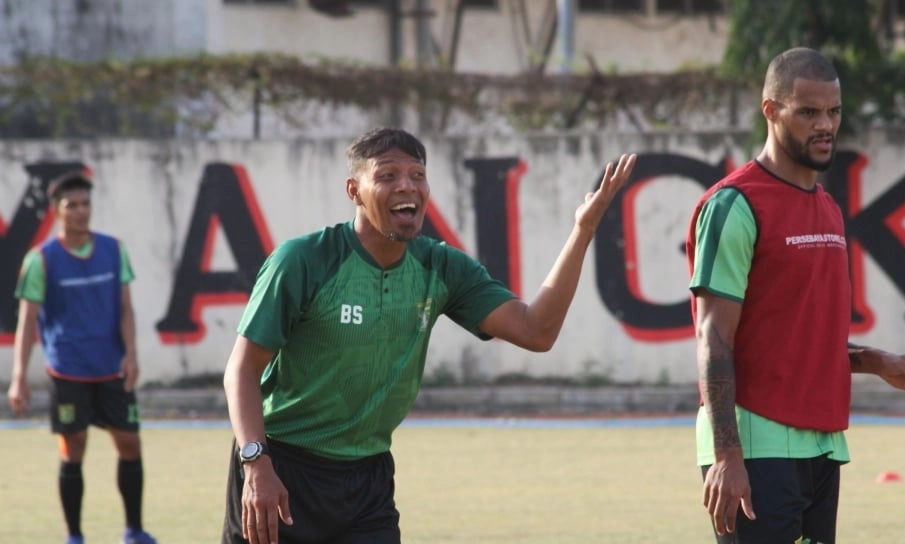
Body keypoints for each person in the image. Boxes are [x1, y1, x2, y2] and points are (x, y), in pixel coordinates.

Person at [221, 127, 636, 544]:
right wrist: (256, 463)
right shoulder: (303, 260)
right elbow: (242, 370)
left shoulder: (441, 267)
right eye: (387, 176)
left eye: (417, 175)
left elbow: (536, 331)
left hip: (368, 480)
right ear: (354, 190)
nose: (407, 186)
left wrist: (582, 230)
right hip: (281, 468)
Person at [685, 47, 905, 544]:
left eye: (834, 112)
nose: (826, 125)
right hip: (757, 446)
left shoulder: (827, 210)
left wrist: (877, 360)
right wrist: (727, 455)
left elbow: (794, 339)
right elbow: (713, 337)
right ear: (771, 111)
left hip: (823, 446)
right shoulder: (735, 205)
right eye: (809, 112)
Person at [7, 172, 158, 544]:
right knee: (73, 449)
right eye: (71, 205)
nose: (80, 211)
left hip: (112, 367)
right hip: (68, 370)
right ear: (56, 211)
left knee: (130, 443)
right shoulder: (41, 259)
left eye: (85, 203)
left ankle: (134, 531)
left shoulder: (113, 249)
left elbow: (126, 308)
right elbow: (27, 322)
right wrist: (19, 377)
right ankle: (74, 535)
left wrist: (132, 354)